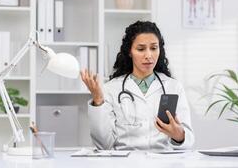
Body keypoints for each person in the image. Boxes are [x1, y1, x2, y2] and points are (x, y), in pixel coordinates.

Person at [81, 21, 194, 150]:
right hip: (125, 162)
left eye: (153, 48)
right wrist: (98, 100)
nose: (148, 55)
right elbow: (104, 145)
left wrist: (178, 134)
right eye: (141, 49)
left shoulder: (173, 87)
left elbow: (188, 139)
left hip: (162, 161)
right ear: (129, 52)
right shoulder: (111, 89)